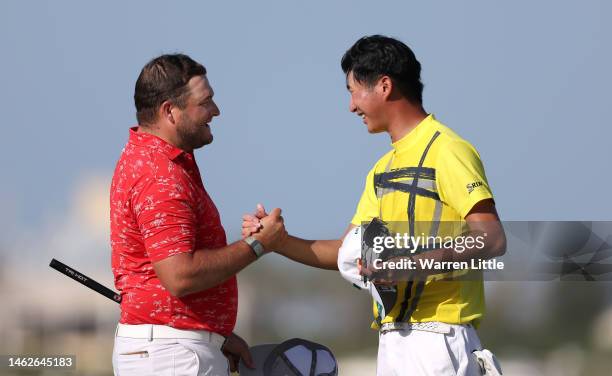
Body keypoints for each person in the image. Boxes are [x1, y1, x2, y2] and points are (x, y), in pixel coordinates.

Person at [242, 36, 506, 375]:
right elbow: (345, 252)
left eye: (353, 91)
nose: (351, 106)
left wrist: (409, 265)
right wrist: (277, 242)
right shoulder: (380, 170)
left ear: (384, 86)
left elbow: (492, 238)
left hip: (439, 339)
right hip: (392, 342)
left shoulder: (449, 150)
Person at [110, 53, 287, 376]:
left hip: (173, 347)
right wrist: (259, 244)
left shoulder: (154, 159)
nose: (216, 111)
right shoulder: (160, 175)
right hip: (172, 355)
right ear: (169, 112)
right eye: (205, 102)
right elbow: (181, 276)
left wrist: (211, 333)